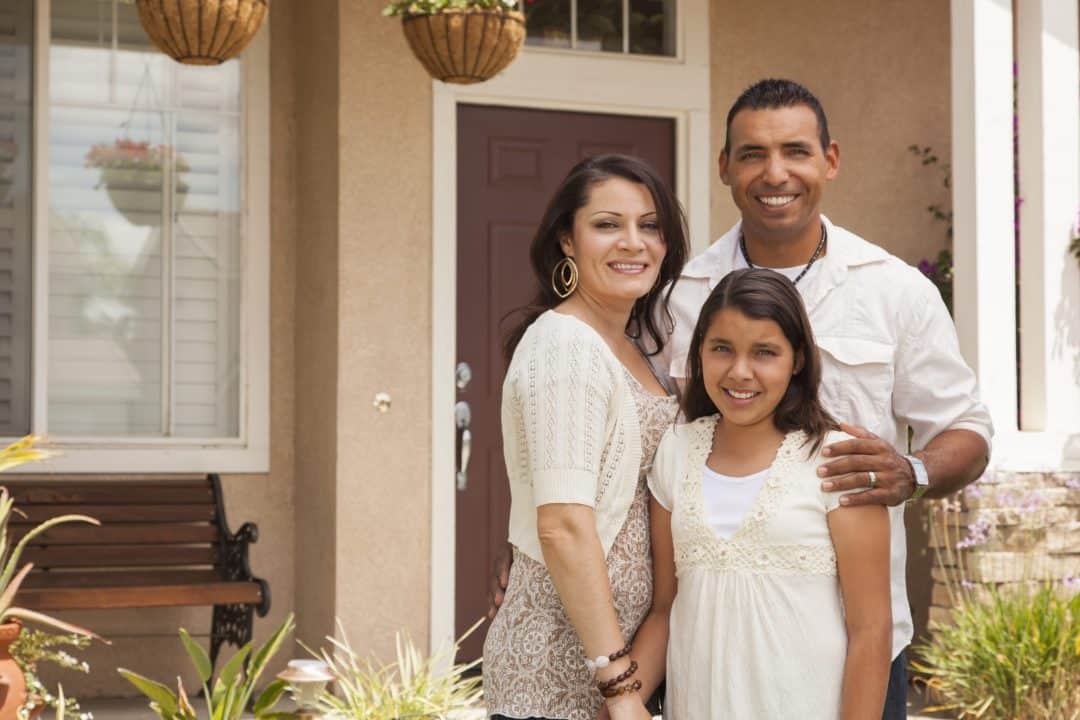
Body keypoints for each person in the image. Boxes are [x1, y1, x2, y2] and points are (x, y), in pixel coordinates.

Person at [491, 79, 994, 719]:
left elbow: (967, 428)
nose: (774, 173)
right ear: (725, 166)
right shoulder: (672, 295)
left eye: (796, 151)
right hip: (697, 652)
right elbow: (604, 442)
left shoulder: (894, 291)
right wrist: (539, 543)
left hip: (857, 647)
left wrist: (911, 472)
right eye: (753, 153)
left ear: (830, 160)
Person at [483, 153, 689, 720]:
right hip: (557, 673)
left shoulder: (635, 347)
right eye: (607, 224)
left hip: (619, 668)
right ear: (567, 241)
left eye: (650, 225)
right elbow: (563, 525)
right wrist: (619, 687)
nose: (633, 242)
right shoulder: (565, 345)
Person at [639, 267, 892, 718]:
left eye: (764, 352)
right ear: (699, 353)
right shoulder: (675, 452)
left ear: (797, 359)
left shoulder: (838, 461)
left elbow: (871, 631)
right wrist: (619, 699)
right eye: (721, 348)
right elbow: (664, 610)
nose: (740, 372)